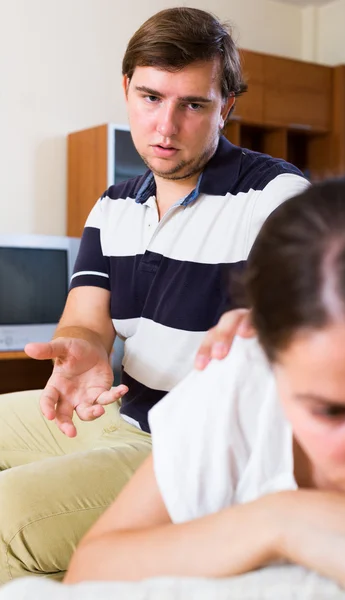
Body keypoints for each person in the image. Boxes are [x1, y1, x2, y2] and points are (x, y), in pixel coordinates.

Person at [0, 7, 308, 584]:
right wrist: (83, 350)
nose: (165, 127)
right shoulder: (113, 204)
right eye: (150, 98)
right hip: (120, 415)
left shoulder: (276, 198)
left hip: (192, 453)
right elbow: (87, 322)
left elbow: (300, 317)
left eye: (192, 104)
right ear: (126, 89)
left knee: (8, 511)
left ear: (227, 106)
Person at [65, 175, 345, 591]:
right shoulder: (241, 376)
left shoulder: (266, 187)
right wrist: (276, 521)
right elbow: (89, 572)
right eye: (330, 411)